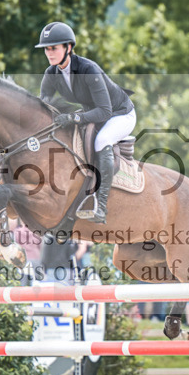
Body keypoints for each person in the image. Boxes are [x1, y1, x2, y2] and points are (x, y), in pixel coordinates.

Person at [36, 21, 135, 224]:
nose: (49, 53)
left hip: (120, 114)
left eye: (53, 48)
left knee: (102, 140)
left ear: (69, 47)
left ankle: (101, 205)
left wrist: (73, 117)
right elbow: (42, 105)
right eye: (46, 48)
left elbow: (105, 111)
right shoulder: (51, 74)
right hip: (94, 112)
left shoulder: (88, 69)